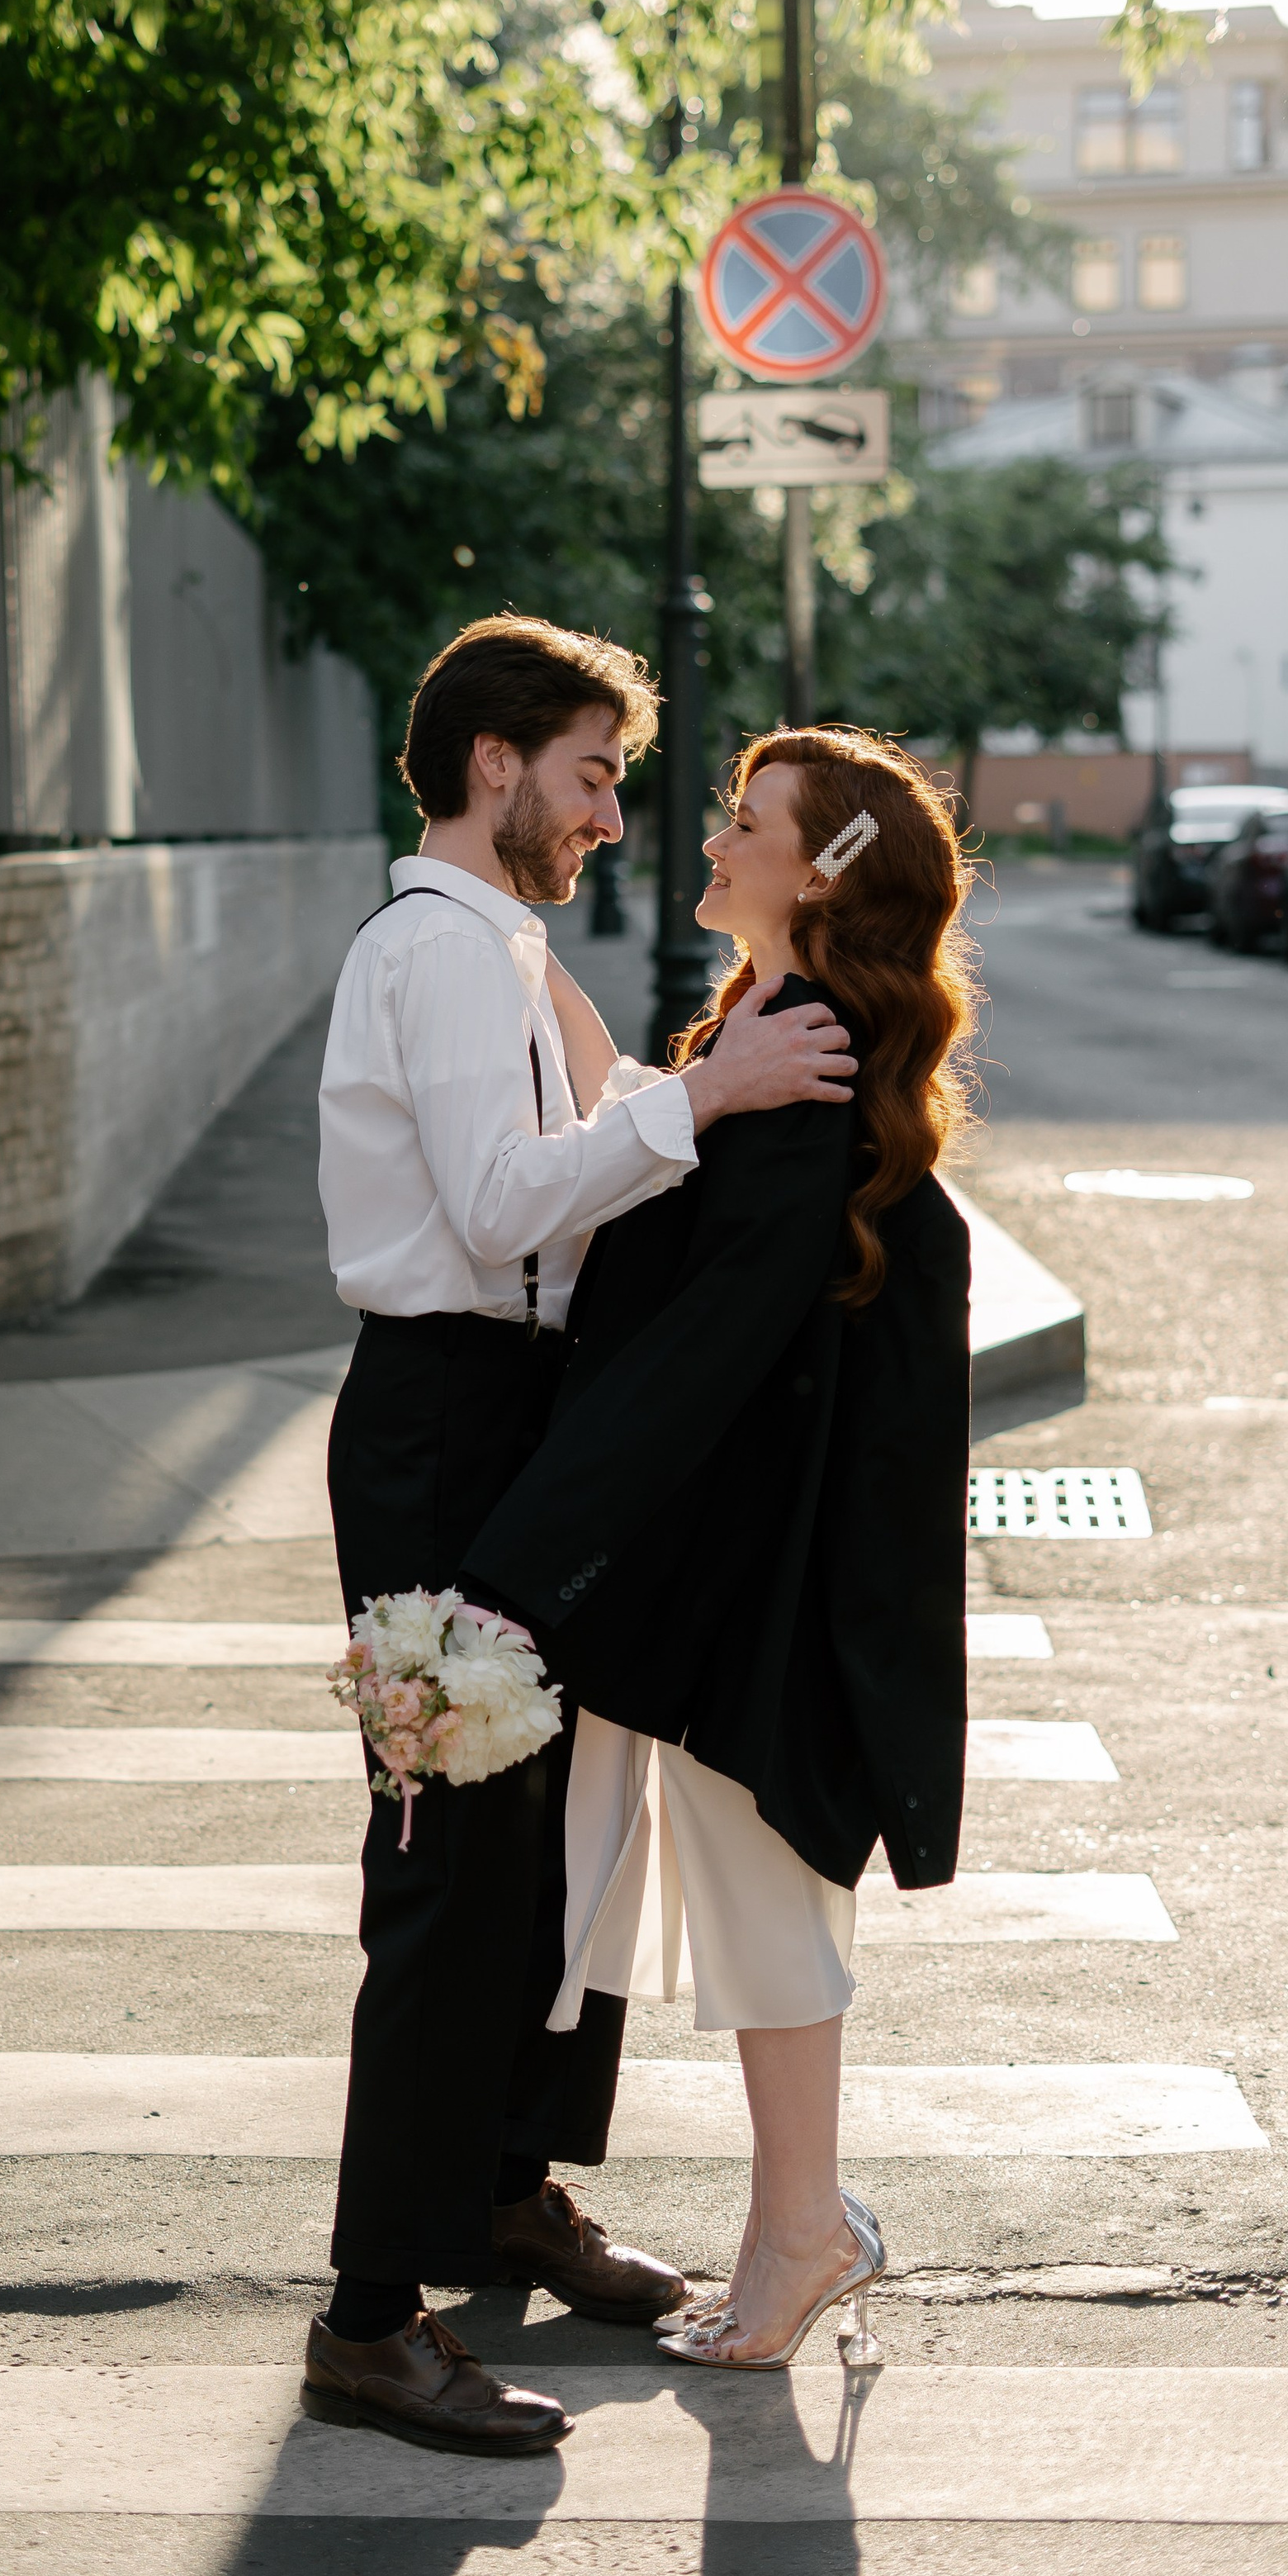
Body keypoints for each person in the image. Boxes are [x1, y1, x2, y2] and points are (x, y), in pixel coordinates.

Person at [302, 621, 861, 2459]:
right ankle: (373, 2320)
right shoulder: (440, 956)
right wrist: (701, 1104)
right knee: (452, 1880)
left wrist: (690, 1095)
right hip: (440, 1429)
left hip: (505, 1420)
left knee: (545, 1858)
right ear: (493, 770)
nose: (615, 814)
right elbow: (491, 1208)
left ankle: (500, 2196)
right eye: (594, 773)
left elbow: (586, 1139)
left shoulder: (507, 956)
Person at [460, 724, 977, 2373]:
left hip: (753, 1573)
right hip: (723, 1559)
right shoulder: (759, 1027)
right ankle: (790, 2227)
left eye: (745, 823)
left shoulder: (805, 1050)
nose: (709, 839)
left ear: (821, 876)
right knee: (749, 1892)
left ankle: (805, 2227)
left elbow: (707, 1346)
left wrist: (523, 1557)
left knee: (764, 1902)